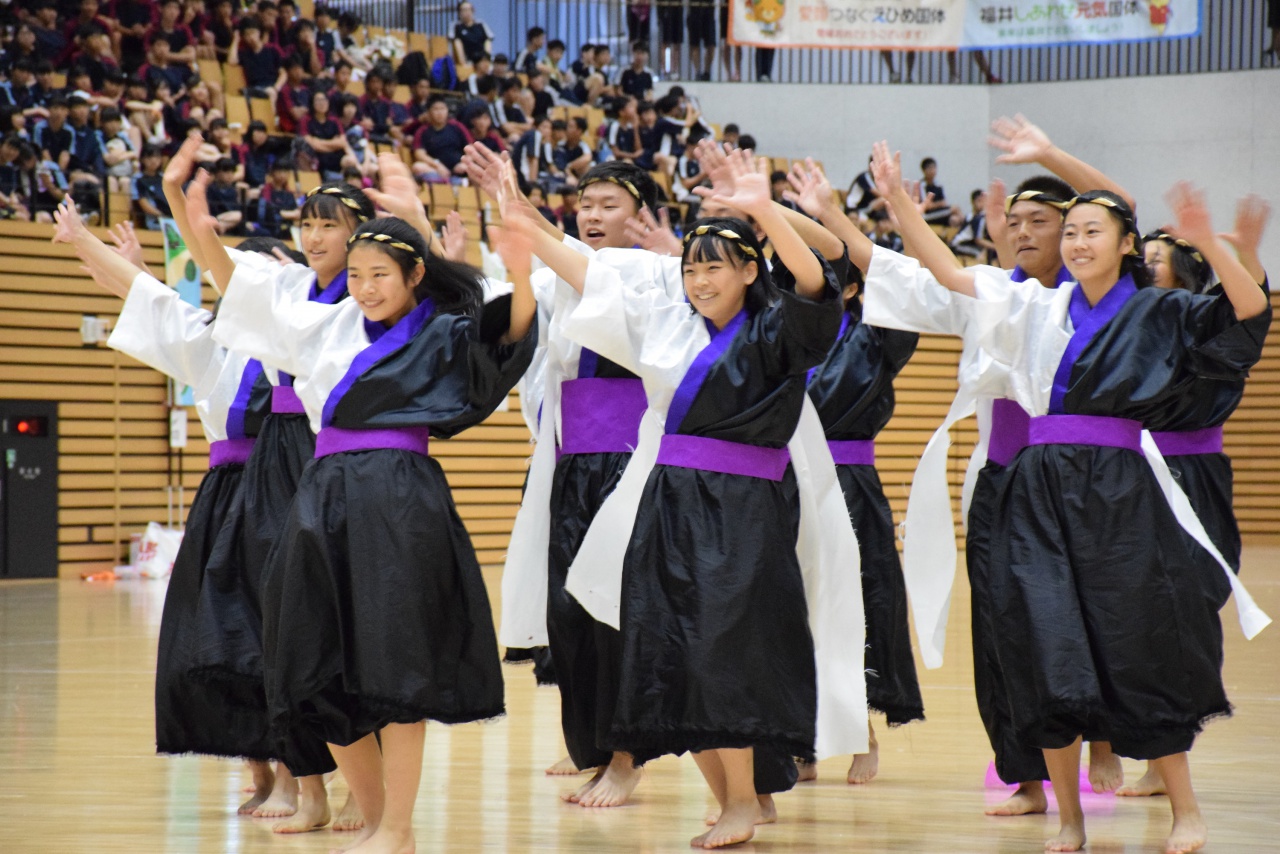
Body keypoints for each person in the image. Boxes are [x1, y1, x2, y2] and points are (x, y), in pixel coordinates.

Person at [874, 141, 1270, 854]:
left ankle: (1184, 808)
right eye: (1075, 230)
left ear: (1127, 246)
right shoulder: (1032, 303)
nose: (1081, 241)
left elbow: (1245, 314)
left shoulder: (1161, 310)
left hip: (1120, 493)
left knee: (1137, 648)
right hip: (1037, 492)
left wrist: (1212, 241)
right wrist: (901, 202)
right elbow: (942, 268)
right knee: (1044, 649)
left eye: (1094, 231)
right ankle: (1068, 817)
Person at [511, 149, 868, 848]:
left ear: (747, 272)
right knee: (677, 653)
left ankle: (747, 799)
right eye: (692, 267)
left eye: (716, 266)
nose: (701, 279)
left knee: (727, 654)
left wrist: (763, 208)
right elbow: (592, 278)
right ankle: (735, 798)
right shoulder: (666, 325)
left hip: (744, 509)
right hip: (669, 502)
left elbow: (812, 278)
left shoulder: (777, 332)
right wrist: (527, 222)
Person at [192, 154, 536, 854]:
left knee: (395, 664)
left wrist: (523, 269)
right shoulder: (324, 326)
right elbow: (244, 298)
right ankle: (376, 814)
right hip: (323, 496)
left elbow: (508, 334)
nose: (367, 287)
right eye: (357, 274)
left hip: (399, 497)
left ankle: (397, 827)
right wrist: (196, 228)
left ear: (415, 277)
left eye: (382, 274)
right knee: (307, 661)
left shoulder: (442, 332)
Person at [51, 211, 280, 772]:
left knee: (277, 634)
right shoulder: (215, 341)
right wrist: (110, 259)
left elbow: (145, 299)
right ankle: (256, 765)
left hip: (280, 485)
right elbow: (140, 299)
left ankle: (303, 777)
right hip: (224, 498)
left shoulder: (296, 343)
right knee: (226, 639)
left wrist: (115, 262)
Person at [489, 154, 672, 808]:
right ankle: (592, 741)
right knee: (568, 614)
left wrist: (521, 215)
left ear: (642, 215)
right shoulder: (560, 267)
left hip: (632, 462)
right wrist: (513, 210)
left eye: (608, 205)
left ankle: (627, 755)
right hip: (571, 463)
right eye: (585, 204)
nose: (592, 215)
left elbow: (599, 291)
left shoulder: (663, 273)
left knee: (618, 609)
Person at [1115, 197, 1272, 800]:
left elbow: (1249, 307)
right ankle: (1146, 745)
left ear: (1186, 270)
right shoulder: (1126, 321)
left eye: (1156, 257)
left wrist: (1235, 248)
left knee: (1187, 607)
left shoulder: (1203, 316)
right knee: (1131, 609)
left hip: (1192, 474)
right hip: (1127, 469)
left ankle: (1168, 752)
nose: (1145, 264)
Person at [781, 159, 926, 784]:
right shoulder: (779, 335)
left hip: (850, 485)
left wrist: (826, 214)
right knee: (793, 605)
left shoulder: (876, 338)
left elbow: (893, 276)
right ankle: (803, 736)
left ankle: (862, 727)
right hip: (783, 481)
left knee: (862, 602)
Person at [452, 1, 493, 66]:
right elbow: (456, 43)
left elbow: (488, 40)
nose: (467, 12)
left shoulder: (481, 24)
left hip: (482, 59)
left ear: (473, 11)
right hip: (468, 61)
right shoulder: (456, 27)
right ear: (459, 13)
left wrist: (486, 60)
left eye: (469, 9)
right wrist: (463, 64)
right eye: (464, 10)